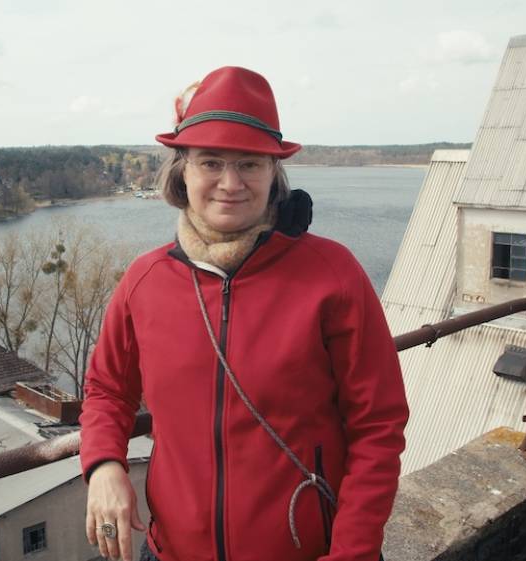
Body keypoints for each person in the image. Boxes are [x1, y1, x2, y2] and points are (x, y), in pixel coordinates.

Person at [79, 66, 409, 561]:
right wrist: (105, 464)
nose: (230, 183)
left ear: (274, 173)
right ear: (182, 170)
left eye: (250, 164)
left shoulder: (332, 274)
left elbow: (377, 425)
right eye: (211, 162)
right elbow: (107, 389)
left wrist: (353, 552)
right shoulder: (144, 281)